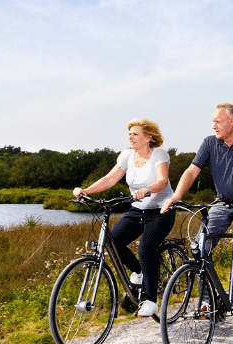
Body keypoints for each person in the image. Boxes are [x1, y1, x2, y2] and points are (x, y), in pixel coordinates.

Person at [162, 103, 233, 302]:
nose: (213, 126)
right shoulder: (209, 143)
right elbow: (192, 171)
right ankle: (208, 301)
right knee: (201, 248)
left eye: (218, 121)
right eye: (213, 122)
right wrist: (176, 196)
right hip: (221, 204)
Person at [74, 118, 174, 317]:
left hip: (161, 210)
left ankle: (151, 301)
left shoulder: (159, 154)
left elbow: (162, 181)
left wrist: (147, 189)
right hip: (137, 210)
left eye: (135, 134)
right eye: (129, 134)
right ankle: (138, 271)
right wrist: (87, 191)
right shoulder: (127, 156)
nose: (130, 137)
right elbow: (111, 178)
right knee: (111, 242)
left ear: (148, 138)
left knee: (146, 248)